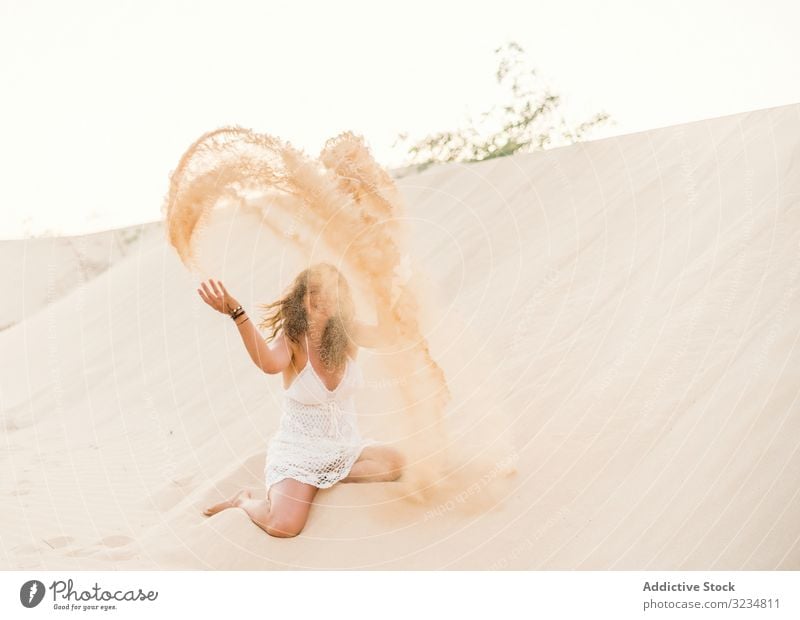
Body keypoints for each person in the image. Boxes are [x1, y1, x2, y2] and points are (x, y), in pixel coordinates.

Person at [198, 263, 406, 537]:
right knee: (283, 525)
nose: (324, 298)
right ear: (301, 298)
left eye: (332, 291)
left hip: (344, 449)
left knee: (394, 462)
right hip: (299, 454)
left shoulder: (347, 333)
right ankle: (243, 500)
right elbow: (269, 364)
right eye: (315, 291)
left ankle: (316, 483)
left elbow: (386, 335)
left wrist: (381, 290)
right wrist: (237, 314)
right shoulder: (293, 340)